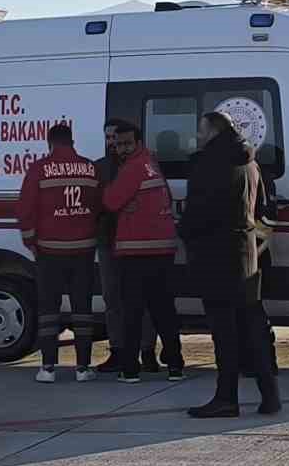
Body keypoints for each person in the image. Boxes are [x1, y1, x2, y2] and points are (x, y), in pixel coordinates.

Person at [181, 113, 282, 418]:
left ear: (212, 131)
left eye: (201, 130)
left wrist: (183, 232)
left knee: (224, 333)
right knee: (252, 328)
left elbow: (197, 214)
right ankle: (270, 395)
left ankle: (226, 398)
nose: (198, 136)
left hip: (216, 257)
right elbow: (262, 209)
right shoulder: (251, 163)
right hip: (246, 256)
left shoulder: (207, 164)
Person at [15, 123, 100, 383]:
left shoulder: (39, 169)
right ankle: (83, 368)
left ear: (49, 143)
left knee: (48, 309)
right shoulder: (89, 167)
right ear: (72, 141)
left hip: (50, 251)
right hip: (84, 250)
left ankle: (48, 368)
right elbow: (99, 207)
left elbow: (25, 209)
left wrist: (31, 242)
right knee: (82, 308)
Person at [101, 124, 184, 383]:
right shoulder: (151, 162)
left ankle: (130, 369)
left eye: (126, 144)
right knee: (163, 309)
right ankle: (175, 365)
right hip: (163, 249)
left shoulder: (132, 168)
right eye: (118, 144)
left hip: (136, 251)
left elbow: (110, 201)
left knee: (132, 310)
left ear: (137, 142)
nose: (122, 149)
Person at [94, 120, 160, 373]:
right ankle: (117, 351)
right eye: (109, 138)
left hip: (136, 243)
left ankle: (147, 351)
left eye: (116, 138)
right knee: (113, 299)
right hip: (109, 241)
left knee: (141, 300)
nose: (112, 143)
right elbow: (97, 204)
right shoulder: (99, 168)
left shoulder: (143, 164)